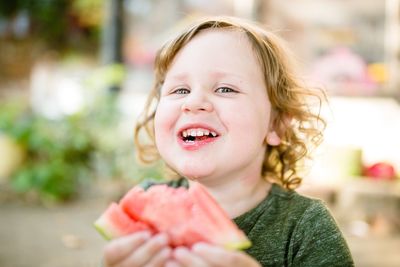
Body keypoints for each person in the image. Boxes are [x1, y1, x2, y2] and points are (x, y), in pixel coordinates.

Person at [102, 16, 354, 267]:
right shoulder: (147, 208)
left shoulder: (306, 226)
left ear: (275, 124)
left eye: (225, 89)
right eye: (180, 90)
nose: (193, 103)